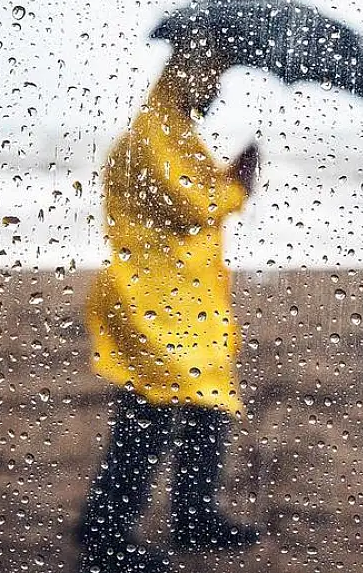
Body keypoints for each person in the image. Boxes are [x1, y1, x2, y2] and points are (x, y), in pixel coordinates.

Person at [74, 40, 261, 573]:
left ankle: (194, 516)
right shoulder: (153, 135)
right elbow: (189, 205)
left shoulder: (176, 135)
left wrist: (229, 180)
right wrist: (238, 184)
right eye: (211, 78)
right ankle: (106, 534)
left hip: (187, 299)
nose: (216, 91)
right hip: (150, 301)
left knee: (208, 405)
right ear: (189, 75)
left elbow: (195, 196)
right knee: (150, 413)